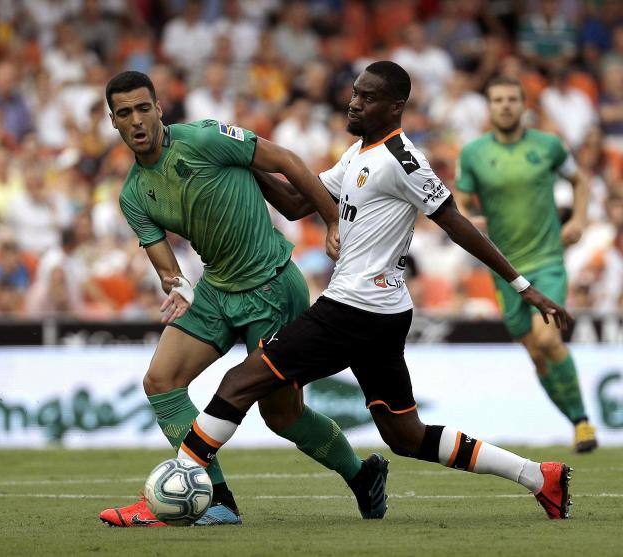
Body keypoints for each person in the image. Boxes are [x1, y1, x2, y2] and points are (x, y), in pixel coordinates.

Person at [176, 62, 574, 521]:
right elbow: (293, 202)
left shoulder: (403, 160)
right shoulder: (357, 154)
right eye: (355, 93)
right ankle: (539, 476)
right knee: (405, 435)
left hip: (355, 308)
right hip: (376, 312)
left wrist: (523, 286)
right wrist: (243, 156)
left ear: (395, 106)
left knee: (240, 381)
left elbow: (457, 224)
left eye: (367, 97)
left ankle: (176, 486)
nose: (354, 102)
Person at [98, 71, 368, 527]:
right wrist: (176, 286)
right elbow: (166, 266)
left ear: (160, 108)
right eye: (125, 113)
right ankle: (217, 500)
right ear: (114, 122)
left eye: (144, 108)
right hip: (217, 291)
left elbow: (286, 160)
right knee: (160, 381)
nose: (137, 120)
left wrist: (331, 219)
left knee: (282, 416)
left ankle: (362, 476)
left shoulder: (205, 137)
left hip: (272, 286)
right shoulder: (133, 196)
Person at [455, 75, 598, 453]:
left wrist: (579, 219)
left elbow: (580, 179)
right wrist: (472, 218)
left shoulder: (548, 146)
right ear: (489, 107)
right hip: (504, 270)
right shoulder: (473, 154)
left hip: (548, 259)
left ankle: (583, 422)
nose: (505, 105)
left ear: (523, 105)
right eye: (498, 99)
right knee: (536, 351)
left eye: (512, 99)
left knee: (548, 337)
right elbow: (461, 202)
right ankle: (575, 419)